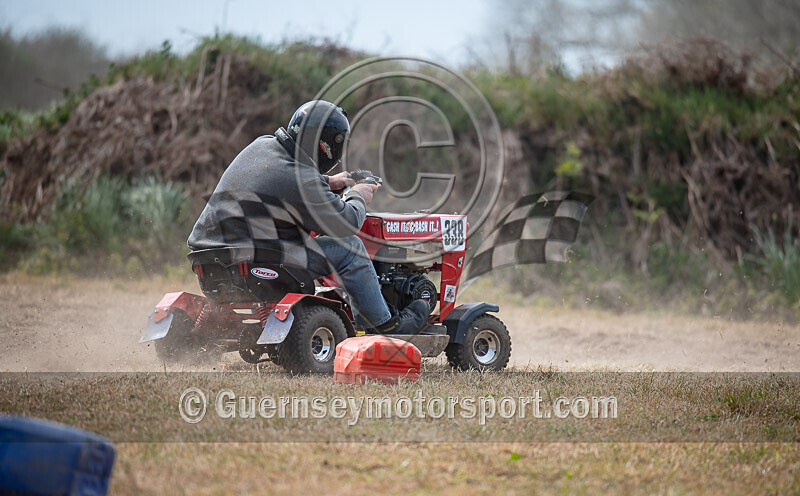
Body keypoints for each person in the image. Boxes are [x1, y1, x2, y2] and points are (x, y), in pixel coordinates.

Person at [187, 100, 430, 334]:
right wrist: (358, 194)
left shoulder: (262, 145)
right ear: (324, 144)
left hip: (209, 264)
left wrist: (328, 182)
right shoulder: (301, 178)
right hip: (258, 269)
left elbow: (274, 182)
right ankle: (386, 324)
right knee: (350, 248)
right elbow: (347, 223)